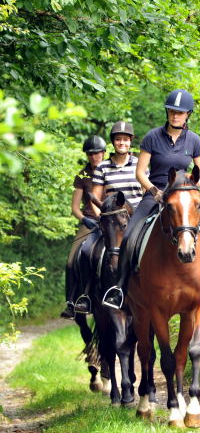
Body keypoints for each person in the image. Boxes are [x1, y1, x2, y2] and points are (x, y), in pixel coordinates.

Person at [103, 89, 200, 309]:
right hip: (156, 194)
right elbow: (140, 172)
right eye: (172, 112)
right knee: (130, 234)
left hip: (184, 195)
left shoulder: (193, 140)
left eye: (180, 113)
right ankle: (119, 288)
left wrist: (194, 186)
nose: (175, 116)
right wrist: (154, 191)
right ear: (167, 113)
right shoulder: (152, 137)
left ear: (187, 115)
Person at [69, 120, 145, 314]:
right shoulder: (102, 167)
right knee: (86, 250)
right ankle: (85, 295)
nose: (122, 143)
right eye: (118, 139)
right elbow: (95, 199)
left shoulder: (139, 163)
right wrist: (102, 220)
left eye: (125, 140)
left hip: (135, 220)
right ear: (113, 142)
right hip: (111, 222)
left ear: (130, 142)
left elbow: (145, 194)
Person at [61, 135, 106, 319]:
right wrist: (84, 219)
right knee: (72, 261)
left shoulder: (110, 170)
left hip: (111, 221)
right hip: (90, 223)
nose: (94, 157)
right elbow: (74, 207)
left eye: (97, 153)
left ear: (103, 153)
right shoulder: (82, 175)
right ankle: (71, 302)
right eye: (91, 154)